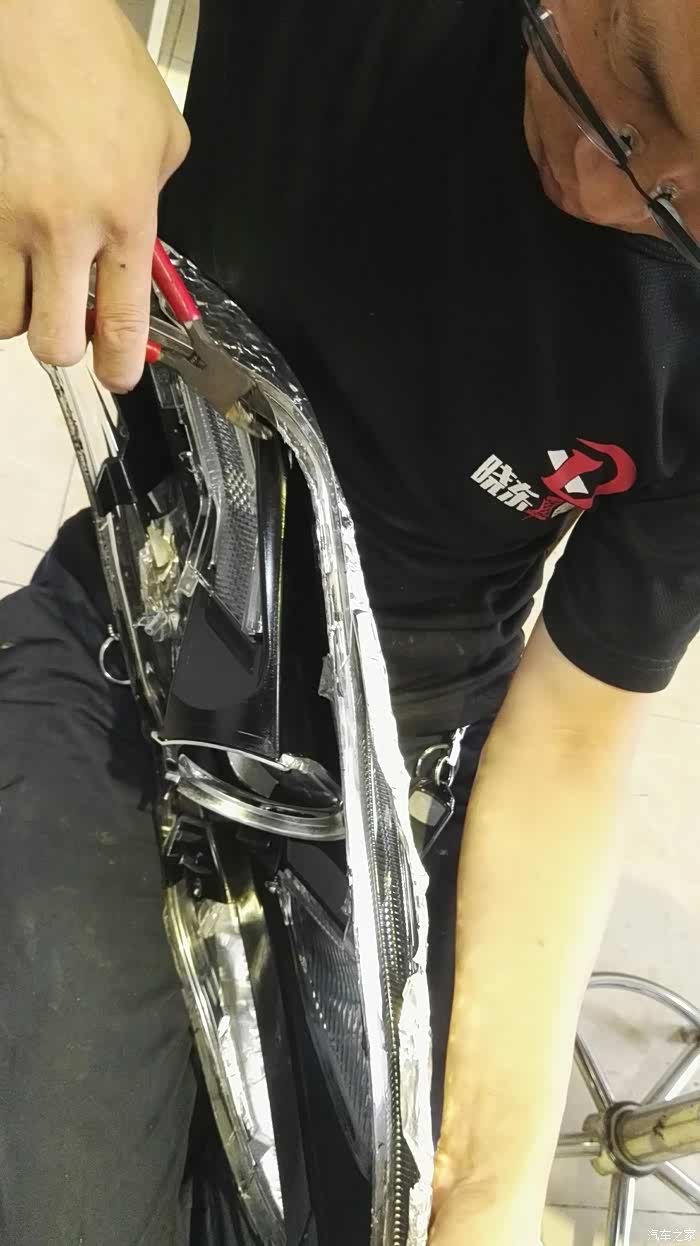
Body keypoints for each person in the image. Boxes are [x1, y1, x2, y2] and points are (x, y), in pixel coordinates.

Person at [1, 0, 700, 1243]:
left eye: (689, 204)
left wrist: (487, 1188)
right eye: (627, 76)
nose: (604, 183)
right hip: (150, 621)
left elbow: (570, 739)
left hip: (409, 743)